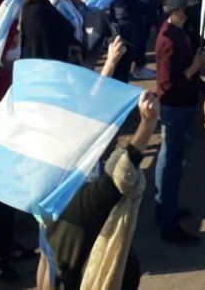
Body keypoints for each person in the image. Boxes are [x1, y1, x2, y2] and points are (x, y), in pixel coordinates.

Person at [37, 91, 160, 290]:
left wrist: (110, 63)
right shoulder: (86, 203)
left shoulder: (48, 193)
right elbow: (122, 171)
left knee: (47, 260)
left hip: (66, 277)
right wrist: (147, 124)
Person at [153, 0, 205, 246]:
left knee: (169, 159)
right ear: (182, 7)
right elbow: (168, 82)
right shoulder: (169, 39)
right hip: (175, 106)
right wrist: (195, 66)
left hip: (179, 104)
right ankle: (169, 224)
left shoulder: (175, 31)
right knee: (172, 165)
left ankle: (164, 208)